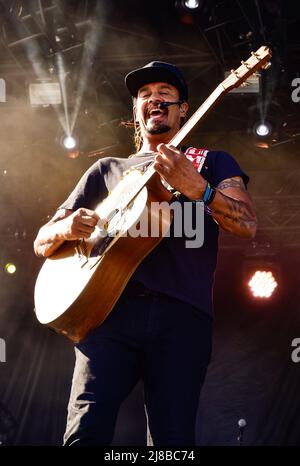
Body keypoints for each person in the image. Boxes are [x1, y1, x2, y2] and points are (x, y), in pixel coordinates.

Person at [33, 61, 257, 446]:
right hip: (108, 313)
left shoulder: (210, 162)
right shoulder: (106, 170)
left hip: (182, 315)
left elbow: (247, 224)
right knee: (84, 430)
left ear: (183, 108)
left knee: (173, 440)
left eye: (165, 92)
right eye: (144, 93)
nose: (154, 98)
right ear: (136, 109)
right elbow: (42, 242)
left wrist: (199, 188)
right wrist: (67, 228)